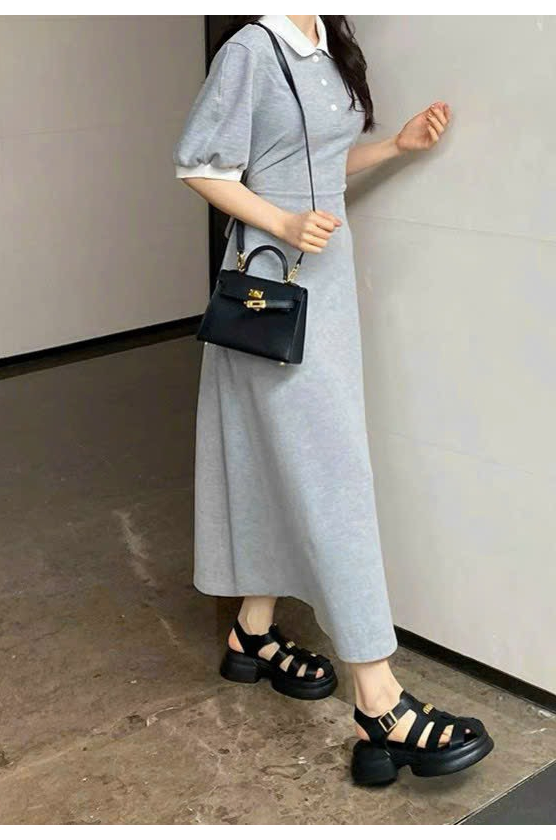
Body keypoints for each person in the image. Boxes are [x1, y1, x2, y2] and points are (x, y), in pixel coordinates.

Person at [173, 14, 492, 785]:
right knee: (331, 474)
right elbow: (198, 165)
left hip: (327, 288)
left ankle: (253, 633)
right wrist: (280, 219)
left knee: (277, 460)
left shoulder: (326, 42)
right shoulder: (253, 50)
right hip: (272, 291)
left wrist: (396, 147)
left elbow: (312, 166)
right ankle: (378, 699)